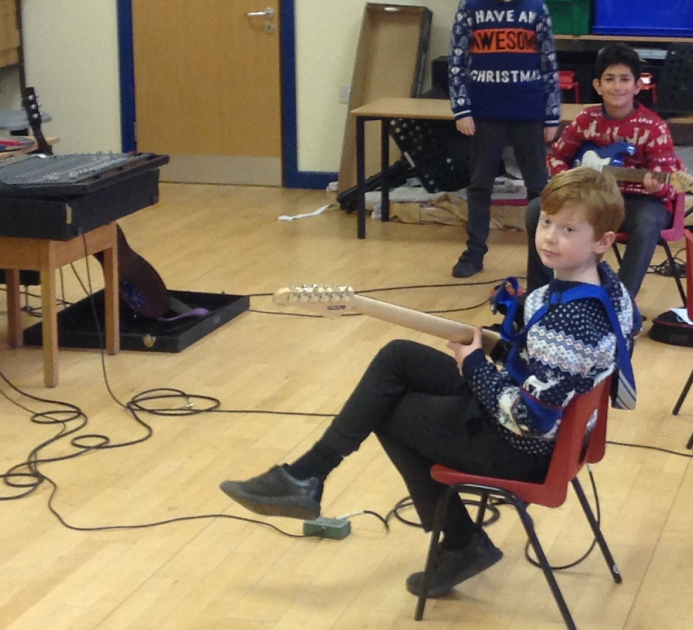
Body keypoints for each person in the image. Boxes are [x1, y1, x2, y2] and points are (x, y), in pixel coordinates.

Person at [221, 168, 636, 600]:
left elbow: (531, 419)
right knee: (398, 358)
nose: (549, 236)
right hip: (559, 435)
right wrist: (502, 347)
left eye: (568, 229)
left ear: (602, 241)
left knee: (386, 412)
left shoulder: (566, 322)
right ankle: (306, 477)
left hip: (523, 450)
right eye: (547, 222)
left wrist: (475, 366)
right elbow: (563, 371)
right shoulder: (610, 290)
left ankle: (459, 542)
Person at [526, 43, 682, 299]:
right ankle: (540, 294)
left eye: (624, 79)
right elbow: (556, 156)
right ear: (597, 86)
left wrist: (658, 186)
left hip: (636, 200)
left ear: (638, 86)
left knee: (646, 222)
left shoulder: (654, 127)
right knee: (536, 209)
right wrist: (567, 180)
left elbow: (670, 185)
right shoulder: (585, 119)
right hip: (591, 198)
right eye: (609, 79)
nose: (617, 87)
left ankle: (621, 302)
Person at [449, 0, 560, 279]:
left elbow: (549, 64)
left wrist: (552, 116)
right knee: (480, 184)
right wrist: (461, 109)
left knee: (538, 187)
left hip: (529, 110)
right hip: (484, 111)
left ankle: (542, 259)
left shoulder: (536, 9)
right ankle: (474, 252)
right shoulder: (471, 5)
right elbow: (457, 61)